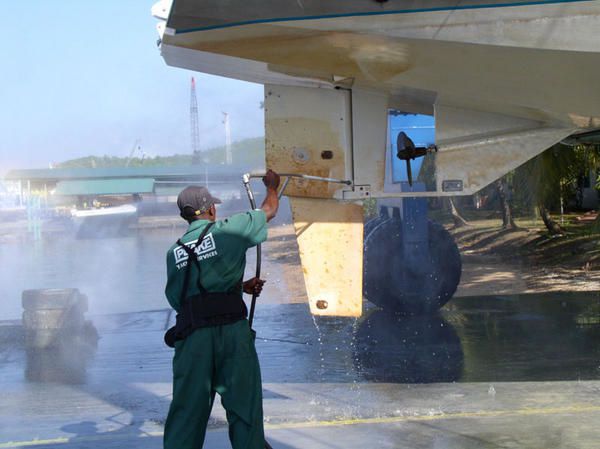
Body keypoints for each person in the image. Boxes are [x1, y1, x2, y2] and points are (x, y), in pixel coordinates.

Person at [163, 169, 280, 449]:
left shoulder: (174, 251)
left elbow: (182, 298)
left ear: (185, 216)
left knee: (186, 414)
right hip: (231, 335)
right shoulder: (229, 229)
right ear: (211, 209)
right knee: (244, 409)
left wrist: (238, 287)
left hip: (192, 340)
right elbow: (269, 210)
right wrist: (272, 187)